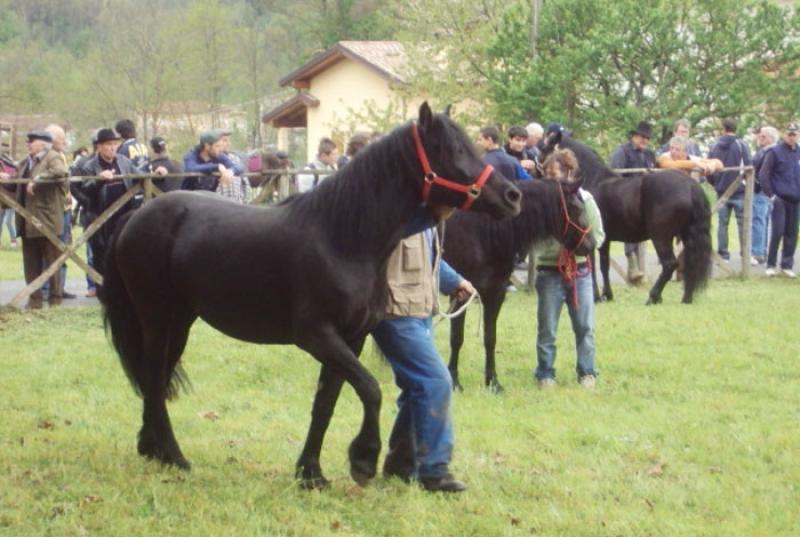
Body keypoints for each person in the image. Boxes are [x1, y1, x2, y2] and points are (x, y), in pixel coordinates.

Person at [375, 207, 475, 493]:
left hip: (418, 309)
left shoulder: (424, 214)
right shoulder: (391, 208)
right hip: (394, 311)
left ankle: (400, 462)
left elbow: (428, 256)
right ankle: (434, 471)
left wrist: (453, 280)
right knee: (436, 381)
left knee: (415, 386)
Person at [534, 148, 605, 389]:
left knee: (585, 326)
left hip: (581, 271)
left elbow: (598, 234)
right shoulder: (540, 204)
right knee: (547, 329)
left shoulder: (584, 200)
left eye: (555, 174)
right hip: (548, 270)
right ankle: (545, 373)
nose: (551, 179)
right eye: (547, 175)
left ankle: (587, 371)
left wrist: (576, 247)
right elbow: (535, 243)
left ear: (569, 173)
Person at [0, 131, 68, 308]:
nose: (28, 144)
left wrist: (38, 178)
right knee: (30, 264)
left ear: (44, 143)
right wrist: (5, 178)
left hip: (47, 220)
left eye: (32, 141)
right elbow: (15, 183)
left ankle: (55, 300)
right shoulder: (25, 161)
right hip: (27, 220)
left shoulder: (53, 156)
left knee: (53, 263)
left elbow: (61, 171)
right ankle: (35, 300)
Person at [73, 128, 141, 275]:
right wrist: (100, 180)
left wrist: (157, 174)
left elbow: (140, 176)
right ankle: (102, 291)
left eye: (115, 144)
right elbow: (85, 190)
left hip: (124, 217)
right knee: (101, 258)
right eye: (108, 144)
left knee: (125, 255)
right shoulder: (89, 166)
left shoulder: (124, 161)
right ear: (99, 146)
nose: (112, 147)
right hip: (100, 219)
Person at [609, 121, 656, 282]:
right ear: (633, 136)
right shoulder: (621, 152)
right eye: (641, 137)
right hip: (624, 198)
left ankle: (643, 267)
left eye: (647, 138)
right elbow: (615, 175)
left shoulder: (649, 154)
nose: (644, 140)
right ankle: (632, 264)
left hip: (646, 199)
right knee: (629, 225)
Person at [758, 122, 800, 278]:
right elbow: (763, 174)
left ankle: (787, 265)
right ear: (784, 135)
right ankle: (770, 264)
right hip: (779, 198)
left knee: (792, 233)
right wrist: (771, 195)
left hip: (795, 199)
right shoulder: (775, 152)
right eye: (789, 134)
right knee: (777, 231)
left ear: (798, 135)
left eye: (794, 134)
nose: (791, 137)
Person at [707, 117, 752, 261]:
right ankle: (745, 253)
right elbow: (748, 167)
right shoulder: (741, 145)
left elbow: (708, 168)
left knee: (722, 224)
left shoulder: (714, 146)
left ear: (723, 129)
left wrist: (715, 183)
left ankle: (723, 253)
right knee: (742, 223)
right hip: (739, 190)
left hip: (721, 191)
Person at [41, 124, 77, 299]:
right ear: (51, 139)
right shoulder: (46, 157)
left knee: (63, 248)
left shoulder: (61, 155)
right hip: (53, 210)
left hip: (66, 207)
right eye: (61, 138)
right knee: (50, 250)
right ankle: (47, 288)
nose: (64, 141)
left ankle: (59, 287)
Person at [751, 126, 779, 265]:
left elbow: (762, 172)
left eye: (762, 136)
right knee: (764, 220)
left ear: (769, 138)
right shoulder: (767, 151)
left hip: (762, 189)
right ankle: (762, 250)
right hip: (766, 189)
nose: (759, 138)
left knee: (758, 219)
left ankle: (757, 253)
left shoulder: (769, 152)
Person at [656, 136, 722, 176]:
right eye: (672, 148)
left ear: (685, 152)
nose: (673, 151)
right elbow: (671, 165)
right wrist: (695, 164)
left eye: (677, 149)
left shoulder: (691, 158)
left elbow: (720, 164)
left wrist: (712, 164)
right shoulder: (664, 156)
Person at [0, 154, 17, 248]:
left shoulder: (9, 165)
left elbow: (13, 178)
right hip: (2, 199)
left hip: (10, 197)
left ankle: (13, 240)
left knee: (8, 221)